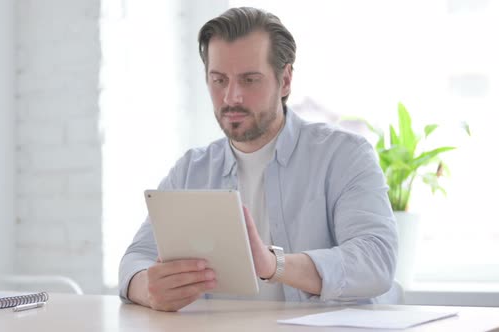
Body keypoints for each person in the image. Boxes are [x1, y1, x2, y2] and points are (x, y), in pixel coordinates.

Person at [118, 7, 397, 312]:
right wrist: (148, 288)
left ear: (285, 80)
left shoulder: (344, 156)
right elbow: (135, 259)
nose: (231, 97)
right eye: (219, 80)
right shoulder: (191, 170)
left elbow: (376, 260)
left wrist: (274, 264)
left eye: (249, 80)